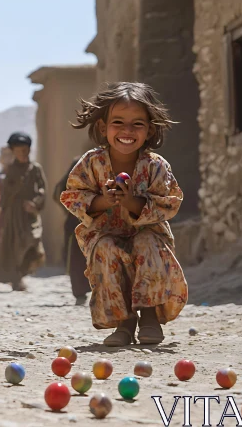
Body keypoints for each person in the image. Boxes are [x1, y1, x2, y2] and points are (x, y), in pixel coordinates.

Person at [60, 82, 188, 347]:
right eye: (118, 122)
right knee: (105, 250)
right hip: (104, 233)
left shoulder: (156, 166)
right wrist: (102, 201)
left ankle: (150, 317)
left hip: (149, 233)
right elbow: (73, 195)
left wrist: (131, 202)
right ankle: (124, 322)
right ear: (102, 127)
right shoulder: (91, 163)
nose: (127, 131)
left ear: (149, 129)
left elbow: (170, 202)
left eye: (137, 124)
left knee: (148, 244)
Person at [0, 132, 47, 291]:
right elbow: (4, 191)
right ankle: (17, 278)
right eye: (18, 150)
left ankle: (22, 273)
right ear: (13, 151)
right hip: (13, 213)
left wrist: (35, 204)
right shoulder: (10, 169)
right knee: (15, 246)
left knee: (33, 240)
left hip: (30, 214)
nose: (22, 153)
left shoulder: (35, 168)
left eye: (25, 150)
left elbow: (42, 189)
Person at [53, 156, 90, 305]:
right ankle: (80, 292)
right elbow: (59, 193)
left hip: (99, 221)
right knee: (76, 257)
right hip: (77, 221)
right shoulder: (78, 166)